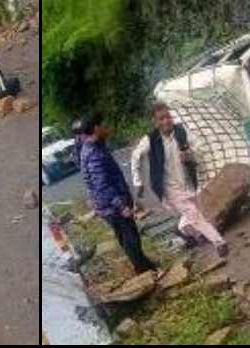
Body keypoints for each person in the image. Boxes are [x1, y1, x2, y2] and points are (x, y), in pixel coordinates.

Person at [131, 101, 229, 258]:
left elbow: (200, 148)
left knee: (194, 212)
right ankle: (219, 242)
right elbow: (135, 157)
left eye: (168, 117)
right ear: (155, 122)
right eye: (161, 119)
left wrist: (190, 154)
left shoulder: (181, 131)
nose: (166, 121)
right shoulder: (150, 140)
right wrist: (138, 182)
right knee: (194, 213)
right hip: (169, 187)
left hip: (188, 181)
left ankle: (182, 229)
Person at [80, 114, 157, 274]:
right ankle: (145, 270)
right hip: (112, 206)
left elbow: (91, 182)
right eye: (103, 125)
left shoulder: (90, 147)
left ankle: (143, 265)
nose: (106, 127)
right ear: (95, 128)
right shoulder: (94, 153)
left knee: (126, 237)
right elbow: (102, 184)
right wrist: (121, 205)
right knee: (131, 238)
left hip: (106, 205)